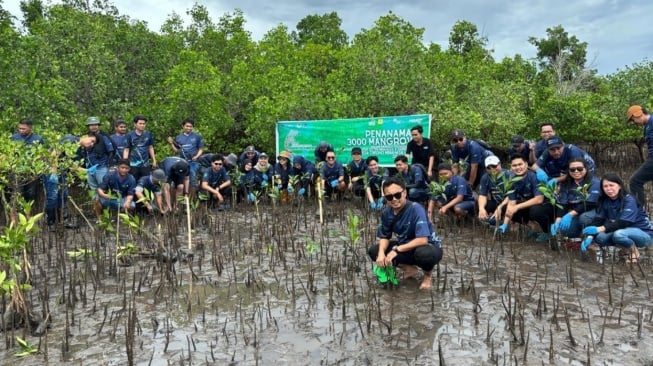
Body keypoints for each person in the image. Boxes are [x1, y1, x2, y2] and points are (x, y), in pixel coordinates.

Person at [367, 177, 443, 290]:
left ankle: (428, 276)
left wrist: (396, 250)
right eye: (389, 197)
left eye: (397, 195)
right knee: (375, 251)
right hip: (405, 246)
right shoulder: (386, 213)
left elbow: (423, 240)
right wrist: (382, 253)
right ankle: (409, 269)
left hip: (428, 247)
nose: (394, 199)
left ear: (404, 193)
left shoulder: (416, 209)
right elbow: (384, 236)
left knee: (424, 254)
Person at [581, 173, 653, 263]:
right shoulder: (605, 201)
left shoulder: (629, 200)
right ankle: (625, 248)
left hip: (644, 234)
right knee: (600, 238)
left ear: (619, 186)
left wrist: (599, 229)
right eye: (605, 186)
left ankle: (634, 251)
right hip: (623, 230)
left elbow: (623, 222)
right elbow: (599, 220)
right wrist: (590, 237)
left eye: (611, 185)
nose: (609, 189)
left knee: (619, 235)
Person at [496, 155, 554, 242]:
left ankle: (547, 232)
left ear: (526, 164)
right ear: (511, 167)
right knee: (506, 208)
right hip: (530, 204)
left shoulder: (534, 177)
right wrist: (504, 224)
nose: (518, 167)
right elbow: (512, 202)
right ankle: (533, 229)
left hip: (547, 206)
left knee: (535, 211)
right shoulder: (511, 179)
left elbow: (539, 199)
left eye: (520, 164)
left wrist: (517, 207)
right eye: (514, 165)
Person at [550, 158, 600, 238]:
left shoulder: (595, 182)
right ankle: (579, 234)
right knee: (564, 231)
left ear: (586, 169)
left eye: (579, 169)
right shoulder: (566, 184)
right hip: (576, 213)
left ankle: (590, 235)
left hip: (593, 211)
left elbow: (591, 203)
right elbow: (563, 203)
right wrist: (558, 221)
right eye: (572, 170)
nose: (576, 171)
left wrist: (570, 214)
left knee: (584, 218)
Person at [531, 136, 596, 185]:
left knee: (578, 183)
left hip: (586, 168)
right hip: (566, 167)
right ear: (548, 149)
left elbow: (575, 172)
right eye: (552, 149)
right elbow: (534, 166)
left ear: (563, 146)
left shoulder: (572, 151)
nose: (556, 152)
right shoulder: (547, 152)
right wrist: (539, 171)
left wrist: (556, 180)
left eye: (558, 148)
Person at [79, 116, 116, 197]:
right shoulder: (85, 137)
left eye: (96, 124)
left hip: (101, 168)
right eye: (91, 125)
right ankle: (96, 209)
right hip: (89, 169)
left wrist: (110, 166)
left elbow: (111, 151)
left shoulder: (104, 137)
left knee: (103, 190)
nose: (94, 126)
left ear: (98, 126)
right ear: (88, 126)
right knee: (93, 193)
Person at [10, 118, 45, 202]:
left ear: (30, 128)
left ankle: (28, 212)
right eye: (19, 128)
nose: (21, 130)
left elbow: (42, 155)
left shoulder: (38, 139)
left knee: (31, 193)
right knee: (18, 192)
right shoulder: (14, 138)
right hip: (17, 170)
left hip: (32, 170)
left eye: (23, 129)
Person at [167, 118, 204, 196]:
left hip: (193, 162)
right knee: (178, 179)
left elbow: (201, 149)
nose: (189, 128)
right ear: (183, 126)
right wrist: (171, 144)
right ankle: (180, 201)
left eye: (190, 126)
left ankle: (191, 200)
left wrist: (196, 156)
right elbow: (177, 151)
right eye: (187, 126)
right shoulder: (178, 137)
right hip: (182, 162)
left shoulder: (197, 137)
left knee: (192, 176)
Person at [626, 105, 653, 206]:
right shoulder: (648, 125)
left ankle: (638, 212)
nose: (634, 123)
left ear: (638, 114)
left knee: (635, 181)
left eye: (633, 120)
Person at [477, 155, 511, 226]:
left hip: (509, 202)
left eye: (494, 166)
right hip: (496, 202)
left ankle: (508, 223)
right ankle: (488, 220)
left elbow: (512, 196)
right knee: (479, 205)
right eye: (489, 168)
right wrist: (481, 208)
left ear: (499, 164)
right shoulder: (485, 177)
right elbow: (482, 195)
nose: (492, 169)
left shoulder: (509, 175)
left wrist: (500, 207)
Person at [123, 114, 156, 182]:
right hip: (133, 164)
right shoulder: (129, 135)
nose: (142, 125)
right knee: (133, 181)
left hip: (145, 164)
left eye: (144, 124)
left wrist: (154, 160)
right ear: (135, 124)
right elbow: (126, 149)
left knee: (146, 182)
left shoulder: (148, 134)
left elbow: (150, 147)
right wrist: (125, 163)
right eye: (140, 123)